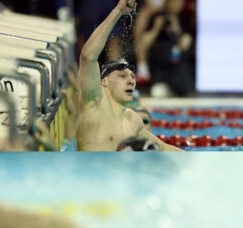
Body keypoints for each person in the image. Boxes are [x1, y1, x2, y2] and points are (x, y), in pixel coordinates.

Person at [76, 0, 182, 151]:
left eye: (132, 76)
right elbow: (88, 56)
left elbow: (165, 149)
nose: (131, 80)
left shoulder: (133, 120)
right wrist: (118, 11)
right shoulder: (94, 106)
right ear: (104, 81)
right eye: (122, 75)